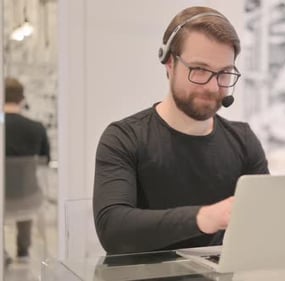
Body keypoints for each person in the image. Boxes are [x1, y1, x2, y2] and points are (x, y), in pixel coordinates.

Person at [93, 6, 269, 255]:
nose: (211, 86)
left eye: (224, 73)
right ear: (169, 63)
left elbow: (266, 223)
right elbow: (112, 230)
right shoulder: (124, 138)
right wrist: (203, 218)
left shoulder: (243, 140)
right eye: (199, 69)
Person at [4, 77, 51, 264]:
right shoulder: (37, 129)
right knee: (25, 190)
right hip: (29, 199)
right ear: (22, 99)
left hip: (2, 199)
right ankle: (23, 251)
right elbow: (44, 161)